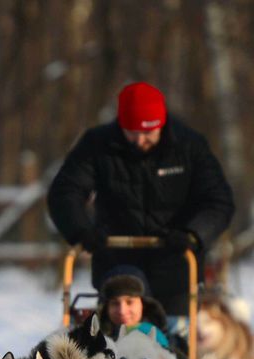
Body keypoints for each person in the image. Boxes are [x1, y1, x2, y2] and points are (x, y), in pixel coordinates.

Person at [47, 81, 235, 320]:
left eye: (148, 132)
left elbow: (218, 201)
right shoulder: (97, 145)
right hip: (117, 267)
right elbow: (65, 191)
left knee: (174, 347)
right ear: (121, 125)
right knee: (116, 346)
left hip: (176, 265)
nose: (140, 140)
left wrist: (193, 234)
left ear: (161, 124)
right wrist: (81, 230)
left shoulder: (189, 146)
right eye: (132, 132)